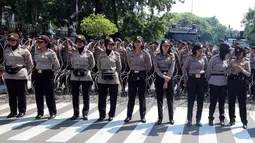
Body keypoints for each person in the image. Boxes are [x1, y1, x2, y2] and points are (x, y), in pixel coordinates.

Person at [4, 33, 33, 118]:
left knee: (21, 94)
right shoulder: (6, 50)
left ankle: (22, 111)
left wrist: (25, 71)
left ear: (17, 41)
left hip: (20, 74)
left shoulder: (24, 50)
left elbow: (30, 63)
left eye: (14, 40)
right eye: (10, 40)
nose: (12, 42)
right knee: (11, 94)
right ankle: (13, 111)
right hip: (9, 75)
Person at [124, 36, 152, 123]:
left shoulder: (146, 54)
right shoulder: (129, 53)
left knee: (142, 97)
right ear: (133, 43)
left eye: (139, 42)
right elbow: (129, 63)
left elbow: (149, 66)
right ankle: (129, 116)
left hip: (142, 75)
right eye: (135, 41)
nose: (137, 43)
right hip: (132, 75)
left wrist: (142, 72)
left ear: (142, 43)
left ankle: (142, 116)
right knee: (131, 96)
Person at [67, 35, 95, 120]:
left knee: (85, 95)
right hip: (75, 75)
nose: (79, 44)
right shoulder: (72, 52)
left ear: (84, 43)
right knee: (75, 95)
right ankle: (76, 113)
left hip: (85, 75)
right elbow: (70, 63)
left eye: (81, 42)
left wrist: (86, 70)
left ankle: (85, 113)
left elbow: (92, 64)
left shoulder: (88, 53)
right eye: (77, 42)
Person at [33, 35, 60, 120]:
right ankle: (40, 112)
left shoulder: (51, 52)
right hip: (38, 74)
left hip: (47, 74)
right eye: (38, 42)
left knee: (49, 95)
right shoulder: (36, 51)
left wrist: (51, 72)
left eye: (41, 42)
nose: (39, 43)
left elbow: (57, 65)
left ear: (46, 43)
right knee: (38, 94)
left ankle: (52, 112)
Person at [182, 42, 208, 127]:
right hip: (192, 79)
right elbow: (184, 68)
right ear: (195, 50)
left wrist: (206, 79)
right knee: (191, 101)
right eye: (199, 49)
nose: (201, 51)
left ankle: (198, 119)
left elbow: (207, 69)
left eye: (202, 49)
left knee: (200, 100)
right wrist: (185, 80)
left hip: (201, 79)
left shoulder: (204, 57)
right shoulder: (189, 57)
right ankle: (189, 119)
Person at [206, 43, 231, 126]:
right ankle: (210, 118)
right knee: (213, 101)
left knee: (222, 102)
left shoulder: (226, 59)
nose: (228, 53)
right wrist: (209, 81)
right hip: (213, 83)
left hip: (223, 83)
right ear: (223, 51)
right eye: (227, 51)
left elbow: (227, 71)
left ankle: (222, 118)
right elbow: (208, 71)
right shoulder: (214, 59)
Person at [97, 37, 121, 121]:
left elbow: (119, 67)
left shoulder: (116, 55)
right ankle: (102, 115)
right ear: (105, 45)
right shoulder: (100, 55)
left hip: (113, 79)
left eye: (112, 44)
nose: (111, 46)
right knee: (102, 98)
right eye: (109, 44)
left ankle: (111, 114)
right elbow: (98, 67)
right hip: (102, 78)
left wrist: (112, 72)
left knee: (113, 98)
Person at [227, 45, 250, 129]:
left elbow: (248, 73)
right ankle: (231, 120)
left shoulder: (246, 61)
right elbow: (228, 72)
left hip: (242, 82)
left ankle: (244, 121)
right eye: (237, 53)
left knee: (242, 103)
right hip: (232, 82)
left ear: (243, 53)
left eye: (239, 53)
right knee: (231, 102)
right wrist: (232, 69)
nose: (238, 55)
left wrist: (241, 69)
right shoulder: (232, 61)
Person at [154, 40, 176, 125]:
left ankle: (171, 118)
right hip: (160, 78)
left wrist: (167, 79)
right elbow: (156, 68)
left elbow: (172, 68)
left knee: (170, 99)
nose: (165, 47)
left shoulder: (172, 55)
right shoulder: (157, 56)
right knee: (159, 99)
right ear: (161, 46)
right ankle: (160, 118)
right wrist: (163, 77)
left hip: (169, 77)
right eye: (164, 45)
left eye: (167, 46)